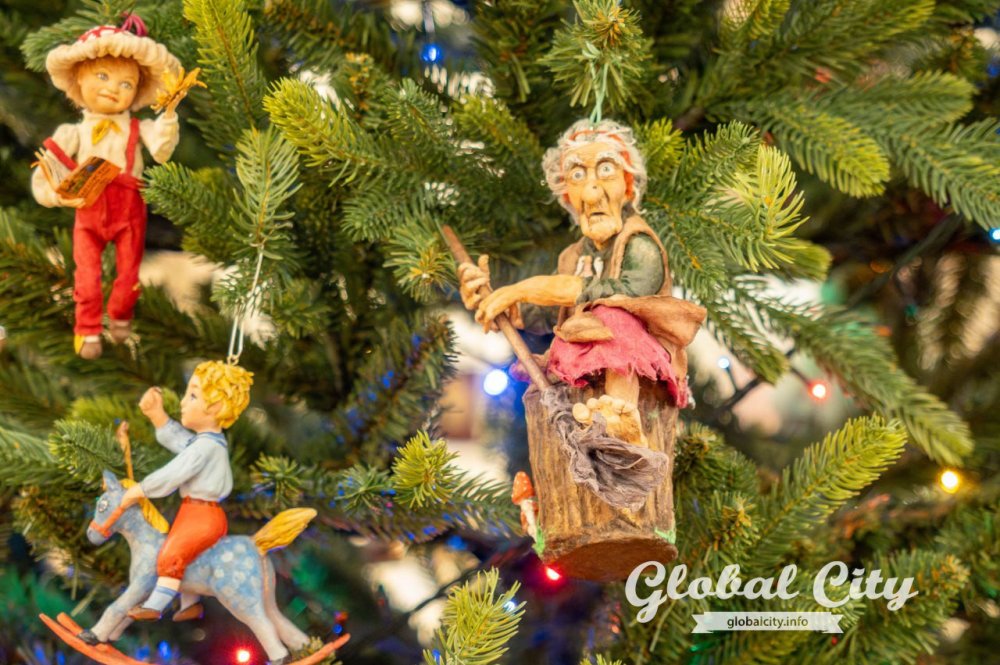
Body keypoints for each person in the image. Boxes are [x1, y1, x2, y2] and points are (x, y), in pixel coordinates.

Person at [459, 119, 705, 445]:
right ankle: (594, 424)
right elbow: (550, 315)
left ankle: (621, 416)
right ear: (567, 196)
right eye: (577, 176)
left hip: (643, 377)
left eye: (606, 171)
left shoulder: (640, 244)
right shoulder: (572, 257)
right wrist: (497, 304)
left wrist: (526, 288)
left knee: (614, 316)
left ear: (628, 186)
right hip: (583, 376)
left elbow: (621, 295)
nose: (591, 192)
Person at [31, 16, 185, 359]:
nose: (113, 89)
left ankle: (120, 316)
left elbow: (162, 149)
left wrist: (169, 115)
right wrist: (59, 194)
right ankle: (87, 330)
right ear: (79, 77)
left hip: (129, 211)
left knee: (129, 275)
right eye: (102, 76)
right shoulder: (74, 133)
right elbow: (48, 170)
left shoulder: (138, 128)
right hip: (88, 210)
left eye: (126, 83)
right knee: (86, 276)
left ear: (138, 90)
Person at [119, 361, 253, 622]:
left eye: (192, 395)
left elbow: (174, 473)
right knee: (186, 556)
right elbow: (181, 441)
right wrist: (158, 416)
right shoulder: (206, 442)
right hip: (194, 512)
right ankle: (190, 604)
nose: (182, 402)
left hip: (203, 516)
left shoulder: (205, 447)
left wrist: (140, 489)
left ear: (215, 406)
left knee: (171, 553)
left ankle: (155, 606)